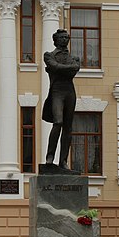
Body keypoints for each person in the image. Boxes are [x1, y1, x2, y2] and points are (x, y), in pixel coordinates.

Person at [42, 29, 80, 171]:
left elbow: (74, 69)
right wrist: (65, 69)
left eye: (67, 37)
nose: (65, 40)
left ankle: (63, 161)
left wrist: (60, 69)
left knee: (68, 127)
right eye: (62, 37)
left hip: (70, 92)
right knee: (58, 122)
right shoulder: (48, 55)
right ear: (56, 39)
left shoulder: (75, 58)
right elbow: (55, 66)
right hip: (57, 91)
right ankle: (50, 157)